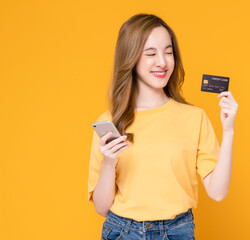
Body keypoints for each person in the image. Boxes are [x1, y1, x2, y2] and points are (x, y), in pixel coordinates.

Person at [88, 13, 238, 240]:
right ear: (130, 58)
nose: (162, 61)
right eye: (151, 53)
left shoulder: (194, 117)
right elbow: (101, 208)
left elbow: (217, 192)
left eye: (168, 52)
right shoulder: (111, 121)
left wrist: (228, 130)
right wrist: (109, 163)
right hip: (123, 232)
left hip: (178, 231)